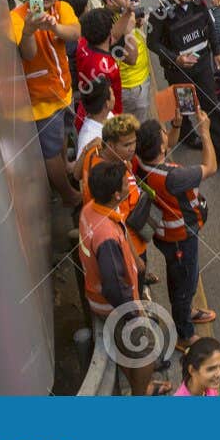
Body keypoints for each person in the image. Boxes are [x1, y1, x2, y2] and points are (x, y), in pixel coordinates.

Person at [136, 116, 217, 350]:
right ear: (160, 147)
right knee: (184, 281)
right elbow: (211, 167)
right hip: (180, 238)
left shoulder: (141, 162)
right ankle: (184, 333)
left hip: (166, 235)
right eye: (163, 132)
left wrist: (177, 125)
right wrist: (205, 133)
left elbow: (168, 143)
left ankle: (186, 310)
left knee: (182, 276)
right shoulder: (173, 176)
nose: (166, 135)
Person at [147, 0, 220, 165]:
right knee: (184, 107)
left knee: (211, 106)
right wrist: (175, 58)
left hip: (202, 64)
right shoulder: (161, 13)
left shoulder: (198, 2)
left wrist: (217, 51)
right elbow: (152, 43)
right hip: (179, 71)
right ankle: (187, 135)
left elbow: (210, 26)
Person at [77, 160, 154, 396]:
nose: (130, 187)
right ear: (116, 194)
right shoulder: (106, 235)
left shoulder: (91, 209)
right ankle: (141, 395)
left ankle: (137, 384)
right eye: (125, 184)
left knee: (124, 345)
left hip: (97, 296)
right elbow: (114, 286)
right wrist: (133, 313)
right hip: (110, 304)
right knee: (146, 349)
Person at [11, 0, 81, 207]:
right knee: (50, 153)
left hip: (64, 91)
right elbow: (28, 54)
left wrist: (54, 28)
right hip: (41, 102)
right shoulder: (17, 17)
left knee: (62, 140)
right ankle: (68, 196)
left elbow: (74, 33)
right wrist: (30, 29)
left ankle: (66, 169)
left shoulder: (62, 9)